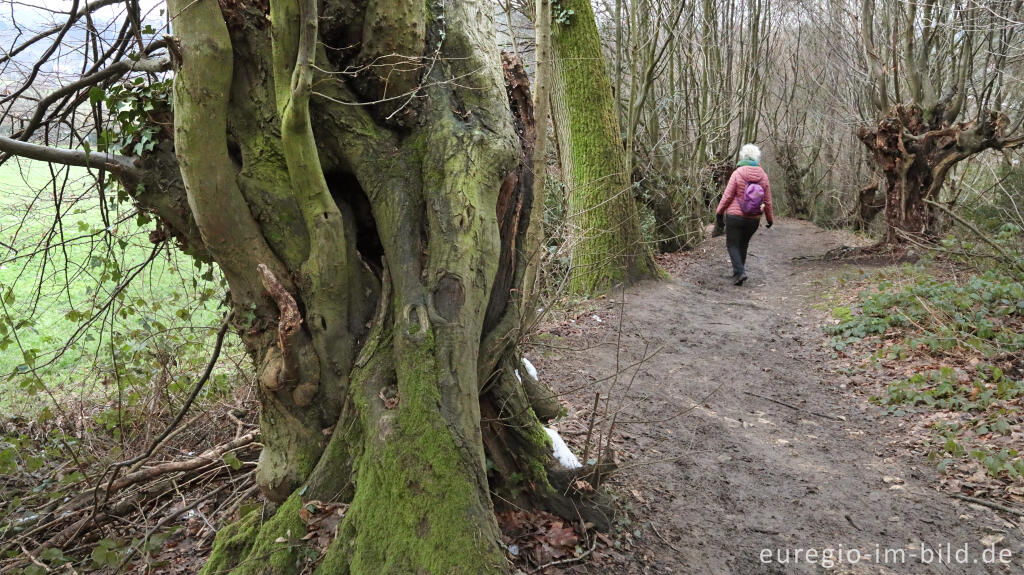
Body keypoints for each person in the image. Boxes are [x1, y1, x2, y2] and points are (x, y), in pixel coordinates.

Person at [715, 144, 773, 286]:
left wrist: (719, 213)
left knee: (732, 244)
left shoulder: (738, 173)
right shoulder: (763, 176)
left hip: (735, 216)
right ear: (756, 158)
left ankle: (740, 272)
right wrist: (770, 219)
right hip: (753, 218)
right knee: (743, 244)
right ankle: (738, 273)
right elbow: (768, 200)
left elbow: (728, 196)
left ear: (743, 156)